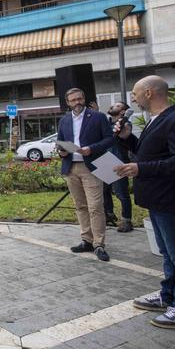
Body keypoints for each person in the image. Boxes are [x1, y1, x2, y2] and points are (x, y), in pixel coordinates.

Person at [114, 76, 175, 329]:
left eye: (135, 93)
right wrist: (128, 138)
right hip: (157, 198)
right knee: (167, 253)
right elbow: (149, 153)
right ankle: (168, 296)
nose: (132, 98)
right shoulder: (156, 119)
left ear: (150, 92)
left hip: (172, 198)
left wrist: (140, 168)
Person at [56, 88, 115, 262]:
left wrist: (92, 149)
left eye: (79, 99)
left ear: (84, 98)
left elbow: (109, 139)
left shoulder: (97, 117)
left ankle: (99, 244)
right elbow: (60, 142)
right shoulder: (64, 120)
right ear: (68, 103)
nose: (77, 102)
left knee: (95, 206)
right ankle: (86, 240)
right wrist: (62, 152)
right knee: (80, 206)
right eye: (73, 100)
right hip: (71, 167)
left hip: (90, 167)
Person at [103, 102, 133, 233]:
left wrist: (123, 120)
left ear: (122, 111)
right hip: (105, 161)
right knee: (104, 191)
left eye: (117, 106)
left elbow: (124, 136)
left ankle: (126, 221)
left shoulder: (126, 124)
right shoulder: (107, 123)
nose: (112, 106)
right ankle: (109, 214)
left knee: (121, 194)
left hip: (118, 162)